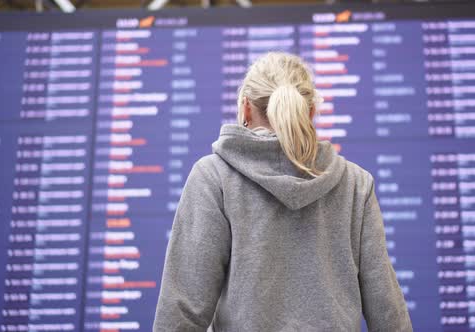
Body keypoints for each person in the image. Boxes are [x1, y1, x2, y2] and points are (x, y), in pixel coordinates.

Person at [153, 52, 412, 332]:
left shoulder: (213, 176)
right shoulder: (355, 183)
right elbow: (387, 312)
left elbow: (181, 313)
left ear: (246, 108)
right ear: (311, 112)